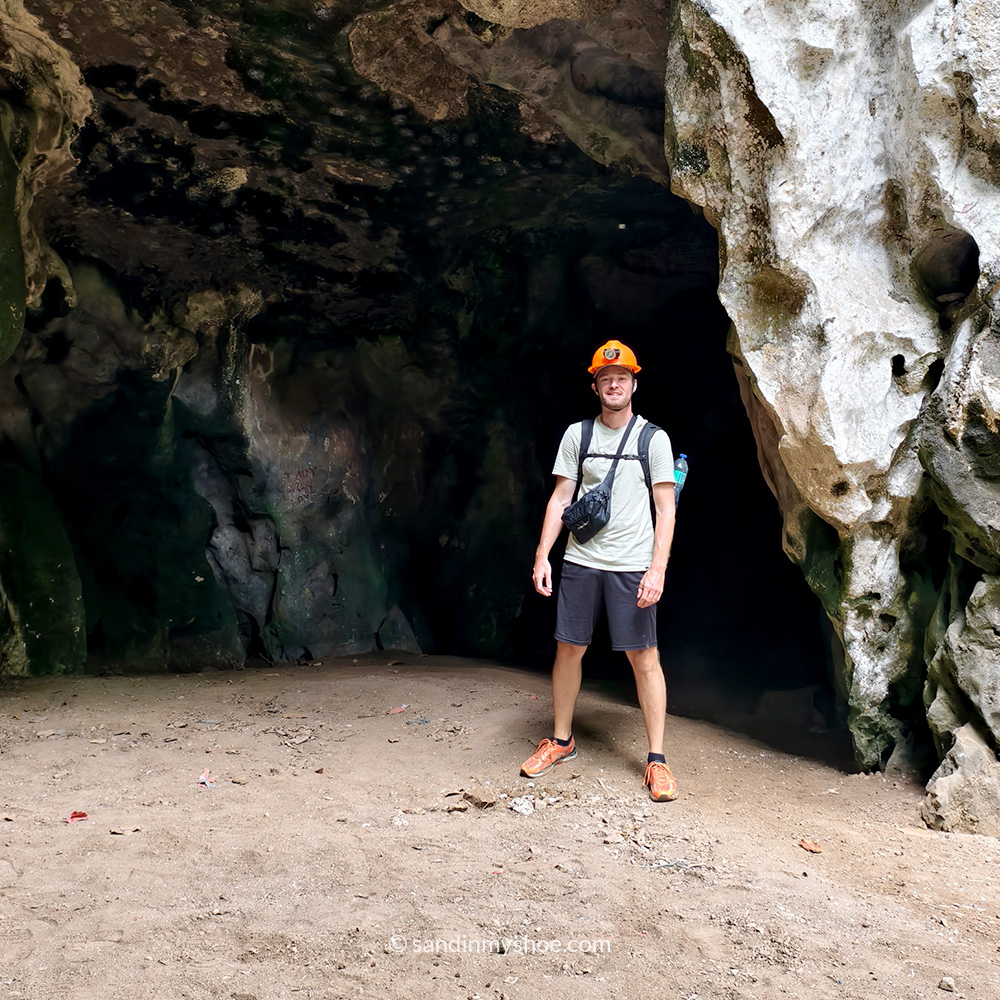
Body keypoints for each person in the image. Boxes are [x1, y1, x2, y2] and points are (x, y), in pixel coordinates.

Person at [522, 339, 679, 801]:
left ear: (634, 383)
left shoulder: (654, 440)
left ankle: (656, 761)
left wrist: (658, 570)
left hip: (632, 565)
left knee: (644, 657)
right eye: (606, 378)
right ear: (595, 386)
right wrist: (542, 554)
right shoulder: (578, 436)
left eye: (622, 378)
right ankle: (562, 740)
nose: (615, 384)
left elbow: (666, 510)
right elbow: (560, 498)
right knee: (569, 648)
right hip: (581, 561)